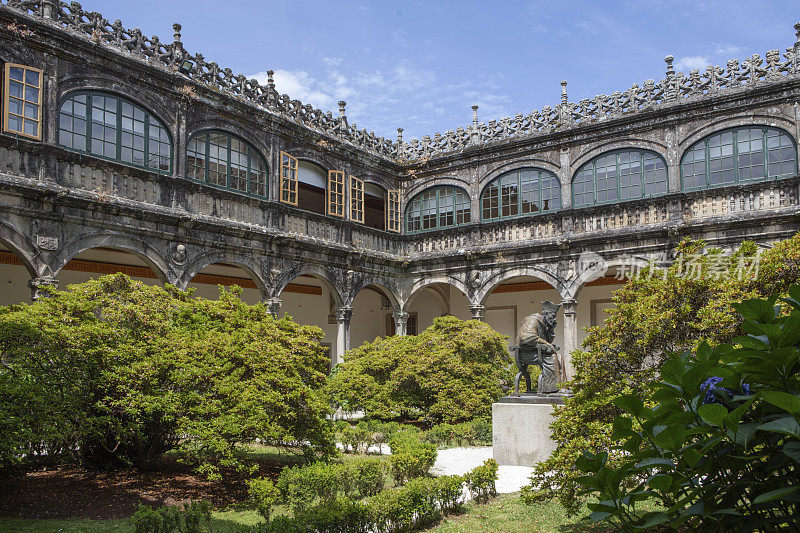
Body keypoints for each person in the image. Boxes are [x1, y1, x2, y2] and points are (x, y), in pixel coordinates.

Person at [516, 300, 562, 393]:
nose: (553, 320)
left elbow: (548, 340)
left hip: (536, 352)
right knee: (552, 357)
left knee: (559, 357)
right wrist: (545, 343)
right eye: (552, 317)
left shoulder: (543, 324)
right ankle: (553, 389)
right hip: (526, 353)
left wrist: (551, 329)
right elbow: (525, 337)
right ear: (545, 313)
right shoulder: (533, 320)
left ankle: (556, 387)